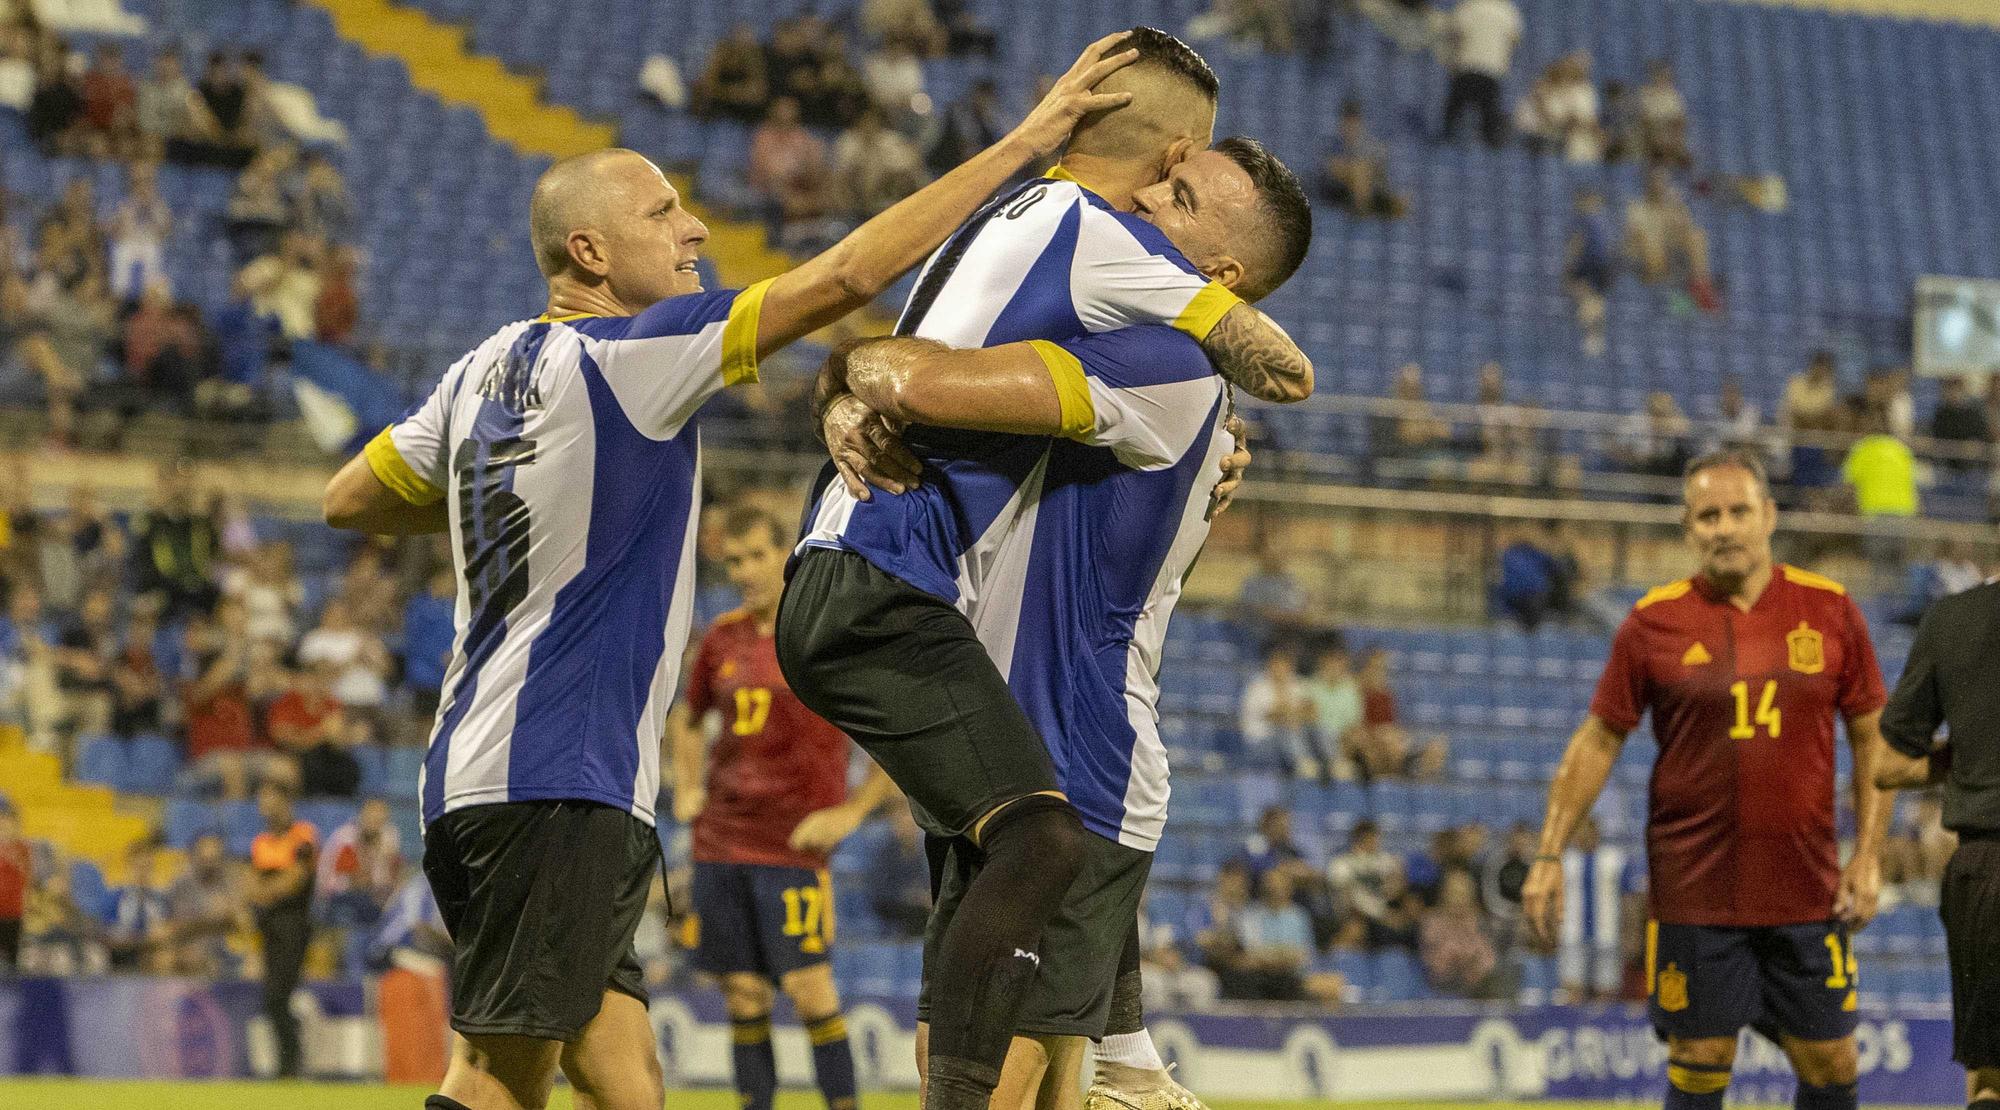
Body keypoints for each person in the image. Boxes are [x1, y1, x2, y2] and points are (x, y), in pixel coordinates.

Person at [319, 38, 1141, 1110]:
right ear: (590, 252)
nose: (695, 227)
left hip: (480, 774)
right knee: (496, 1080)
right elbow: (843, 280)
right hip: (558, 775)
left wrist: (502, 485)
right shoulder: (632, 353)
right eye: (663, 214)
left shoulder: (479, 372)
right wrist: (1027, 145)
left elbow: (349, 498)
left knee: (630, 1080)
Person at [788, 124, 1312, 1110]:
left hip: (1078, 758)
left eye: (1183, 199)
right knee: (994, 1069)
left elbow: (925, 378)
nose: (1151, 196)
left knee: (1001, 1082)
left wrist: (855, 375)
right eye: (1163, 179)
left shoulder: (1166, 365)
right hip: (1012, 738)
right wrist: (845, 399)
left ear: (1222, 273)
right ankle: (1131, 1063)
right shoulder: (1109, 340)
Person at [1523, 449, 1893, 1110]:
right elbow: (1599, 739)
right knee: (1702, 1056)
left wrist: (1868, 854)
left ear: (1769, 516)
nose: (1724, 527)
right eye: (1708, 515)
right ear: (1689, 529)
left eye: (1738, 511)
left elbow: (1873, 735)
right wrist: (1550, 850)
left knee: (1832, 1062)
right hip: (1696, 895)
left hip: (1808, 892)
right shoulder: (1652, 623)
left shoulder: (1831, 609)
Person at [670, 505, 895, 1110]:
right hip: (719, 842)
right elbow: (686, 721)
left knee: (809, 988)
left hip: (793, 850)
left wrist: (851, 813)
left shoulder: (826, 636)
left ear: (785, 556)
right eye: (735, 560)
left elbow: (894, 738)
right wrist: (685, 784)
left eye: (756, 556)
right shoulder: (720, 637)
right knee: (743, 994)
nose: (745, 570)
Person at [1875, 570, 2000, 1110]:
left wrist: (1965, 752)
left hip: (1986, 868)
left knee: (1990, 1077)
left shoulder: (1953, 618)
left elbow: (1888, 766)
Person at [248, 781, 317, 1078]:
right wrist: (271, 888)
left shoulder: (303, 835)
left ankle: (290, 1064)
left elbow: (297, 880)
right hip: (269, 928)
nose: (263, 804)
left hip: (294, 926)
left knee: (278, 996)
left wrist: (267, 889)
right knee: (273, 998)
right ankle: (288, 1064)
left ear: (284, 800)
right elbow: (251, 887)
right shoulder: (260, 842)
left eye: (268, 796)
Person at [1439, 0, 1521, 146]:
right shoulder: (1507, 10)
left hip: (1467, 66)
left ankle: (1445, 139)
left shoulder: (1468, 7)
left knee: (1454, 113)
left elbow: (1454, 33)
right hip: (1491, 69)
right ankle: (1489, 145)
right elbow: (1514, 39)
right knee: (1488, 117)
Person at [1239, 641, 1320, 775]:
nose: (1281, 669)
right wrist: (1295, 713)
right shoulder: (1257, 688)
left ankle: (1336, 765)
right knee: (1286, 732)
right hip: (1260, 741)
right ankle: (1304, 765)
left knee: (1318, 729)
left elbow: (1312, 713)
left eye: (1285, 665)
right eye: (1277, 665)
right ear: (1270, 665)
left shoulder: (1298, 684)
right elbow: (1275, 716)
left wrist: (1293, 715)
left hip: (1295, 734)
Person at [1319, 101, 1404, 219]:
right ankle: (1361, 214)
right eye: (1347, 121)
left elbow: (1380, 174)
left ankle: (1362, 214)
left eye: (1354, 121)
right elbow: (1331, 169)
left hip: (1373, 193)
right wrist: (1353, 171)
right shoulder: (1332, 145)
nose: (1350, 126)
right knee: (1359, 170)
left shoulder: (1374, 146)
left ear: (1360, 123)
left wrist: (1357, 169)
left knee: (1402, 203)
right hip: (1337, 193)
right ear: (1341, 123)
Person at [1565, 189, 1613, 356]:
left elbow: (1577, 246)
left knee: (1591, 300)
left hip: (1593, 268)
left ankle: (1593, 336)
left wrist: (1570, 271)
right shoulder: (1592, 222)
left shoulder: (1590, 221)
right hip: (1592, 269)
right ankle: (1592, 336)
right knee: (1591, 300)